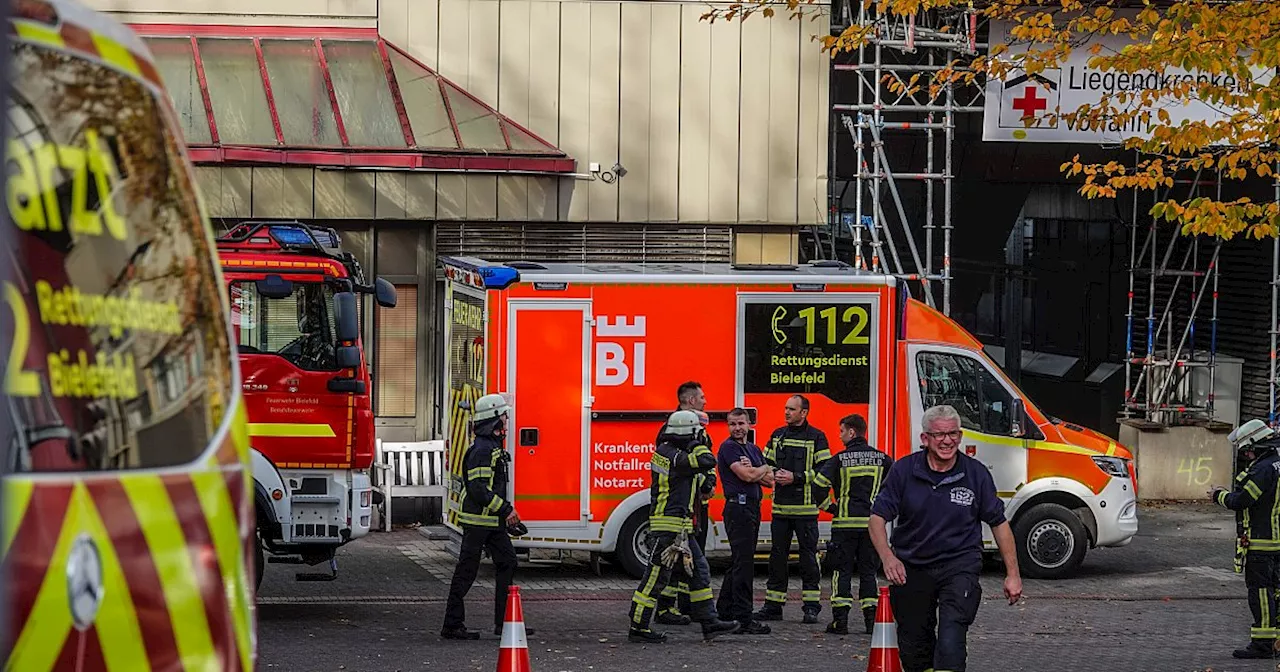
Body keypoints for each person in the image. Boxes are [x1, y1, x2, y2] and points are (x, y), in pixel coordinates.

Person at [868, 404, 1022, 672]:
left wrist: (1013, 573)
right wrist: (888, 558)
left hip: (959, 565)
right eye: (939, 435)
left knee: (951, 643)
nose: (947, 441)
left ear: (960, 436)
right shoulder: (904, 471)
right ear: (925, 439)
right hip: (911, 568)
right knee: (915, 649)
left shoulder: (976, 474)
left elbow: (999, 523)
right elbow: (877, 519)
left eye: (953, 434)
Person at [628, 410, 740, 643]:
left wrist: (708, 480)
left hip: (681, 529)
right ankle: (638, 626)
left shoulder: (674, 453)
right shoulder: (668, 454)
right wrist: (696, 441)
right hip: (667, 528)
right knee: (655, 578)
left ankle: (709, 622)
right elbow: (706, 460)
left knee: (699, 572)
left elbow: (696, 477)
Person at [442, 393, 524, 640]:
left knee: (508, 562)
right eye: (504, 417)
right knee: (466, 571)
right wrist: (506, 509)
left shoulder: (491, 447)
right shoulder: (482, 450)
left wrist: (504, 514)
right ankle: (452, 625)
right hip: (478, 523)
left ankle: (504, 624)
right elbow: (479, 489)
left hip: (492, 523)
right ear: (494, 420)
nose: (507, 421)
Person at [812, 413, 893, 635]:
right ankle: (870, 622)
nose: (840, 437)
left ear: (851, 432)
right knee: (869, 572)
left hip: (844, 525)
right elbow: (897, 486)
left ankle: (841, 621)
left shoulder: (839, 459)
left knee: (841, 571)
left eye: (841, 432)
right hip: (872, 526)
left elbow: (818, 485)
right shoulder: (883, 459)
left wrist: (831, 507)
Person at [754, 394, 833, 624]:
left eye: (791, 409)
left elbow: (825, 471)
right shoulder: (778, 435)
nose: (786, 412)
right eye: (786, 408)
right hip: (780, 510)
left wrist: (795, 477)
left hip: (806, 512)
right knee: (777, 559)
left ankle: (811, 607)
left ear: (803, 412)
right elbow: (766, 464)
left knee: (808, 559)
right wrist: (769, 474)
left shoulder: (817, 437)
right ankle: (773, 606)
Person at [1209, 418, 1280, 659]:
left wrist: (1218, 495)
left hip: (1261, 543)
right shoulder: (1278, 464)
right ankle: (1276, 641)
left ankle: (1262, 645)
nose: (1247, 455)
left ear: (1256, 445)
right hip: (1278, 542)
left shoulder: (1262, 470)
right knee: (1276, 592)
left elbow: (1242, 500)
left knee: (1260, 592)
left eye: (1247, 450)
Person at [651, 381, 715, 626]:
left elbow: (709, 461)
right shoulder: (674, 431)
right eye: (701, 397)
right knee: (680, 563)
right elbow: (686, 464)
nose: (705, 401)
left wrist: (708, 484)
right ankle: (670, 609)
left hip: (693, 505)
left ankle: (690, 609)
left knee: (688, 562)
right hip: (680, 507)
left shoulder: (698, 430)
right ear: (690, 401)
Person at [714, 408, 775, 635]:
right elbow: (748, 476)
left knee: (739, 561)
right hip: (737, 509)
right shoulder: (728, 448)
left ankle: (724, 611)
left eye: (740, 423)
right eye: (732, 424)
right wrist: (763, 468)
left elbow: (769, 482)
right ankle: (744, 617)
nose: (737, 428)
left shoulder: (753, 449)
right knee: (745, 564)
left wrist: (758, 471)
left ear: (749, 425)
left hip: (752, 508)